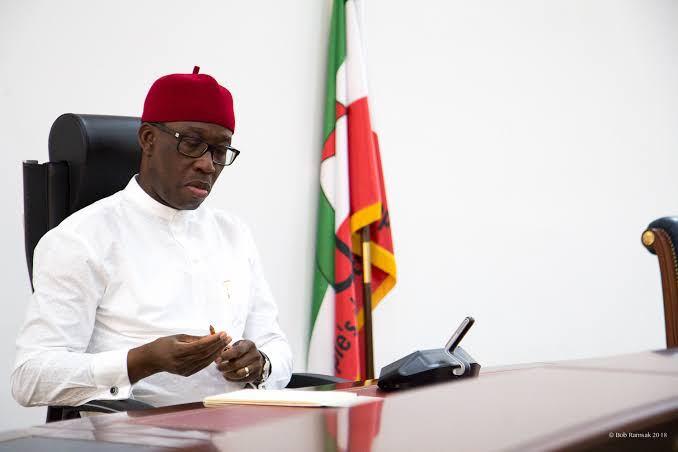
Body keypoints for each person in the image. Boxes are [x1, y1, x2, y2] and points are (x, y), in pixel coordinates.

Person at [11, 67, 293, 408]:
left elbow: (276, 344)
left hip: (241, 426)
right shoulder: (82, 239)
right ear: (148, 139)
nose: (208, 165)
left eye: (220, 151)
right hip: (142, 432)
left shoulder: (233, 233)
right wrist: (140, 361)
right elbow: (30, 378)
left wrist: (261, 363)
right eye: (192, 145)